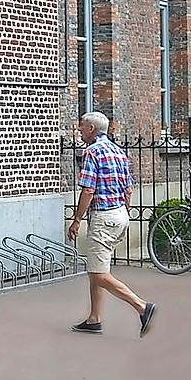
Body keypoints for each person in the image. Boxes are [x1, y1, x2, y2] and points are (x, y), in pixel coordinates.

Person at [67, 111, 157, 337]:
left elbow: (88, 189)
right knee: (99, 268)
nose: (79, 130)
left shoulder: (92, 152)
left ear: (91, 129)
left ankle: (142, 307)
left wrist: (77, 219)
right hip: (119, 215)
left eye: (82, 127)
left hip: (104, 217)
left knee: (98, 274)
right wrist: (124, 212)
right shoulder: (119, 152)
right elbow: (129, 189)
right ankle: (94, 319)